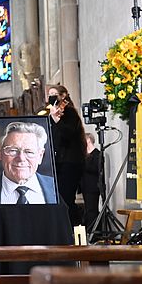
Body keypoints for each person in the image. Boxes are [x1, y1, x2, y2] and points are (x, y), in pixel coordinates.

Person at [46, 85, 86, 224]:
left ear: (63, 96)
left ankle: (75, 231)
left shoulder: (70, 113)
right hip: (58, 163)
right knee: (58, 199)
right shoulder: (52, 115)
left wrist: (57, 120)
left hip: (70, 163)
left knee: (67, 199)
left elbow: (68, 134)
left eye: (54, 94)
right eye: (49, 94)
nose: (51, 97)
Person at [0, 121, 57, 204]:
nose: (21, 158)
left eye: (29, 152)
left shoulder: (56, 187)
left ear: (40, 156)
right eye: (13, 150)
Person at [80, 132, 101, 231]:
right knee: (88, 210)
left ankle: (94, 231)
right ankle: (89, 230)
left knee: (92, 210)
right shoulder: (85, 155)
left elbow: (95, 169)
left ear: (88, 140)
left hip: (93, 187)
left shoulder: (97, 154)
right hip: (85, 187)